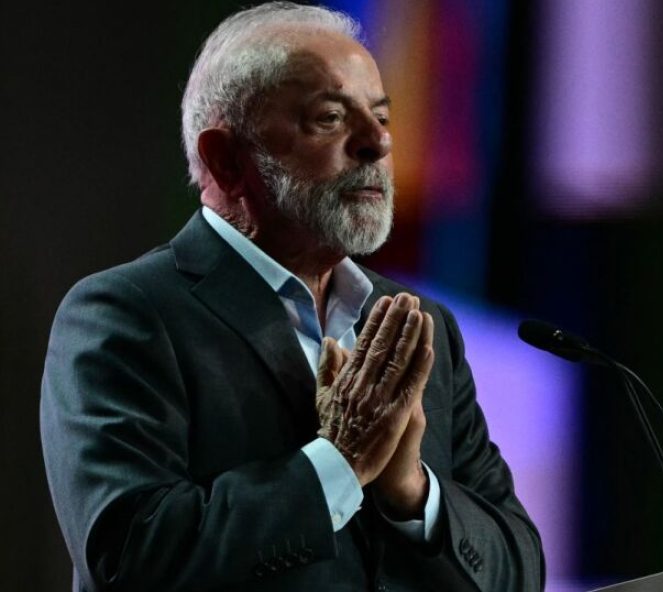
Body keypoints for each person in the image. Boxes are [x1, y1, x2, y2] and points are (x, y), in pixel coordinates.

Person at [40, 3, 544, 591]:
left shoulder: (417, 322)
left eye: (381, 116)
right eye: (330, 118)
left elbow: (521, 569)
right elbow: (132, 556)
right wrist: (341, 464)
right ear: (226, 160)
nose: (378, 143)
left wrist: (411, 492)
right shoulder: (124, 315)